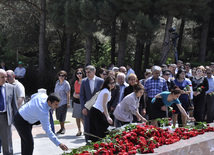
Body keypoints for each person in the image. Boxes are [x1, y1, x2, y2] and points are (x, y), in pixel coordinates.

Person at [80, 65, 104, 143]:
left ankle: (97, 142)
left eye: (89, 72)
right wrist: (83, 107)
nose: (87, 74)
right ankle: (87, 142)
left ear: (94, 71)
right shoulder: (84, 81)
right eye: (86, 72)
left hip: (97, 108)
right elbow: (82, 95)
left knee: (97, 125)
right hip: (87, 108)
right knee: (87, 126)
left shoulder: (100, 81)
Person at [89, 76, 115, 142]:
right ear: (107, 84)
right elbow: (104, 104)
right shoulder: (106, 92)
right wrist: (108, 117)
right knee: (99, 131)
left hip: (98, 111)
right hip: (96, 112)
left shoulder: (108, 91)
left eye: (113, 83)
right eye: (110, 83)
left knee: (101, 130)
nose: (112, 85)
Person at [0, 69, 17, 155]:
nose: (5, 79)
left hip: (5, 117)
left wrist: (17, 118)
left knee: (7, 142)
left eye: (6, 76)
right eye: (2, 77)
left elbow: (14, 105)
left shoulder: (11, 88)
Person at [72, 68, 85, 136]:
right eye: (77, 73)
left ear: (82, 74)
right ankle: (79, 130)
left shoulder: (85, 81)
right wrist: (74, 94)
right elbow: (75, 90)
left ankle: (85, 130)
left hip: (82, 101)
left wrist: (80, 95)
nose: (79, 75)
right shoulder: (76, 82)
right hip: (76, 100)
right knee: (77, 116)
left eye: (80, 73)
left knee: (82, 117)